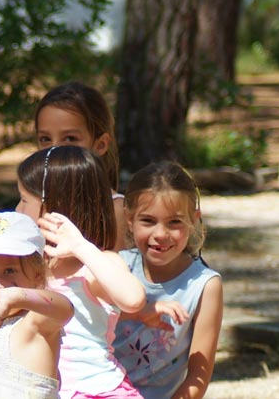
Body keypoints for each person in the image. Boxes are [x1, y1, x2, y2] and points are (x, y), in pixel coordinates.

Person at [17, 145, 147, 399]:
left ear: (56, 209)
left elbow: (133, 299)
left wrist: (79, 246)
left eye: (24, 200)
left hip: (94, 391)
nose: (17, 209)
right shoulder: (31, 267)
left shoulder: (95, 267)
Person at [112, 161, 223, 399]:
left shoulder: (204, 285)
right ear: (129, 219)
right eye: (148, 221)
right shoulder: (116, 267)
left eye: (174, 222)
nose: (161, 234)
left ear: (194, 219)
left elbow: (198, 377)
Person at [0, 212, 73, 399]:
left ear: (37, 275)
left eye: (10, 271)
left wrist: (17, 295)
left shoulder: (35, 322)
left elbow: (66, 308)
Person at [34, 81, 129, 250]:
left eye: (70, 138)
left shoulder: (115, 211)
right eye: (45, 139)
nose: (54, 149)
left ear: (100, 145)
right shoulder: (34, 204)